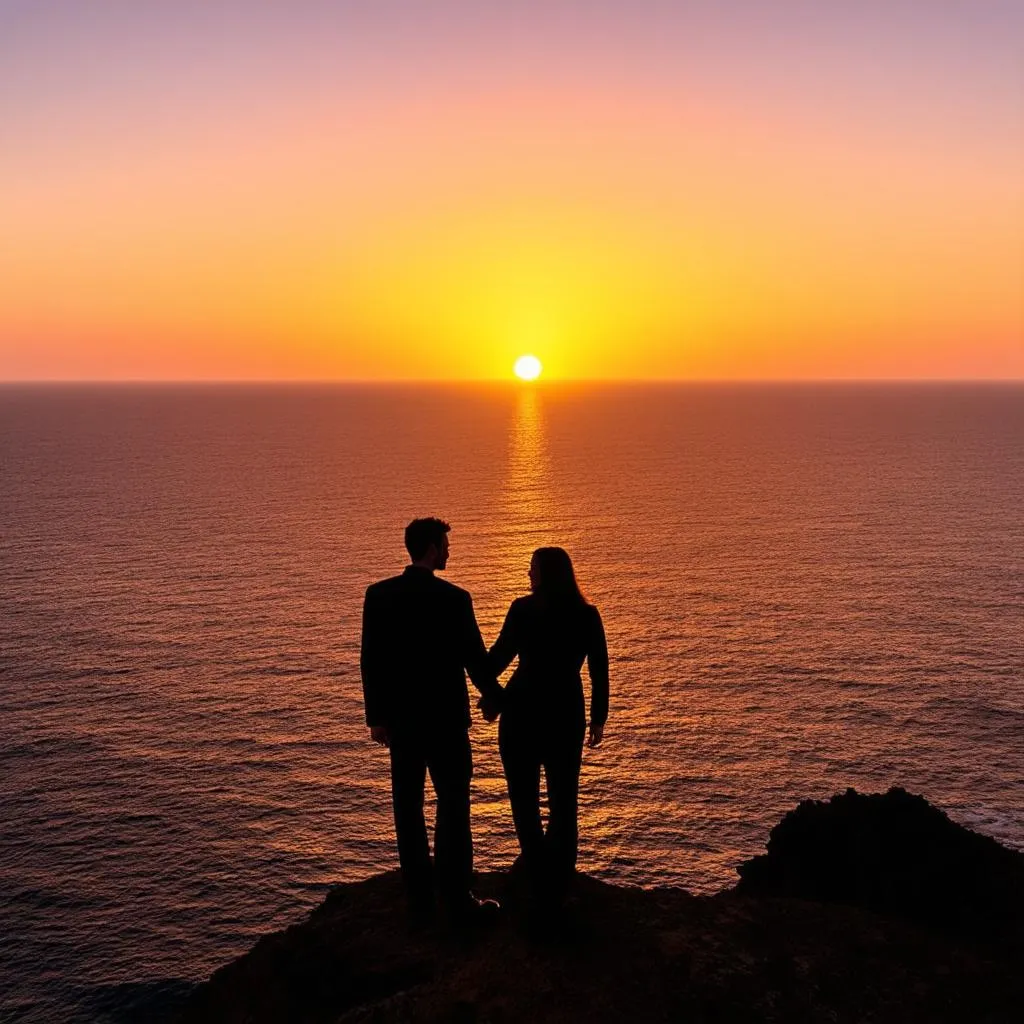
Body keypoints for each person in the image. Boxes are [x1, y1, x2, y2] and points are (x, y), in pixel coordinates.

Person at [360, 517, 504, 924]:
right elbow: (474, 659)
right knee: (453, 806)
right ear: (432, 548)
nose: (449, 551)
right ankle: (457, 898)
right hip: (446, 721)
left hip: (403, 721)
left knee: (407, 809)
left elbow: (372, 660)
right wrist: (495, 698)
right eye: (444, 544)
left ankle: (419, 902)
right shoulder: (455, 599)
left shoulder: (380, 595)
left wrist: (377, 717)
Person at [488, 546, 608, 910]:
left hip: (522, 710)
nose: (528, 574)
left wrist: (491, 697)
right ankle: (560, 879)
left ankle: (538, 875)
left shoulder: (522, 609)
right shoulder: (587, 614)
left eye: (533, 569)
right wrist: (598, 718)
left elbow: (497, 658)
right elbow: (599, 670)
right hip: (565, 712)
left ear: (545, 573)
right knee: (563, 801)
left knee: (523, 801)